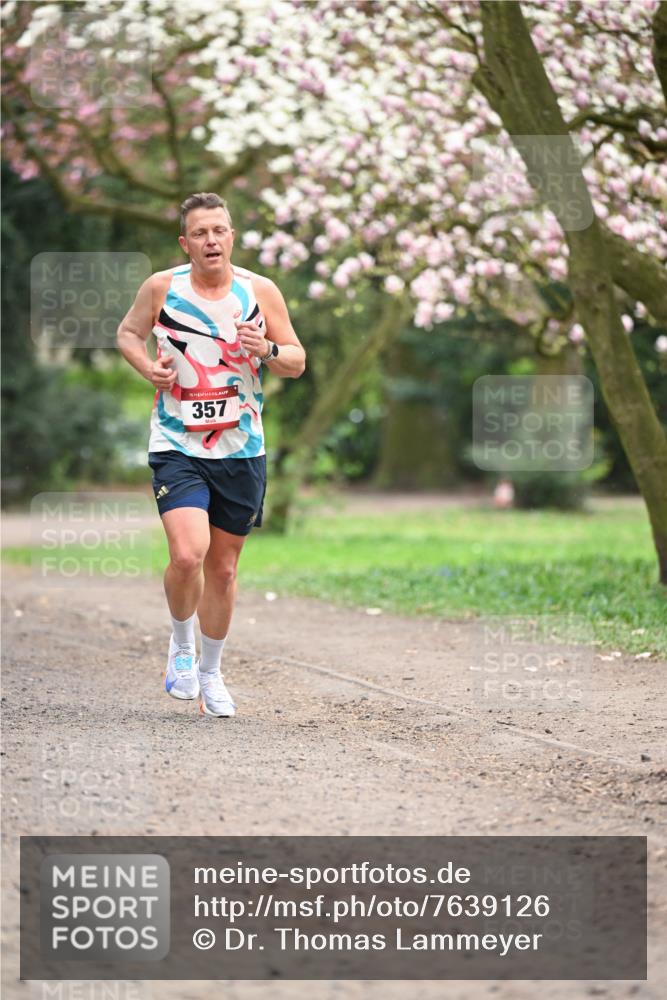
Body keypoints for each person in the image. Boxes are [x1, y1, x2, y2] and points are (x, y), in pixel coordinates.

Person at [117, 192, 306, 718]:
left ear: (231, 236)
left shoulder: (259, 291)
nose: (211, 240)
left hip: (241, 449)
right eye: (200, 233)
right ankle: (182, 647)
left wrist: (266, 349)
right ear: (186, 243)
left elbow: (296, 360)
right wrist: (146, 367)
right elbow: (128, 333)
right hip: (177, 442)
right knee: (188, 554)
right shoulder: (162, 287)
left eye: (219, 230)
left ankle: (211, 673)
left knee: (222, 570)